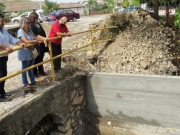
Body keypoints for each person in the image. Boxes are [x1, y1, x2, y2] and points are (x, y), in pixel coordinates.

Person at [0, 13, 25, 102]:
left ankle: (2, 91)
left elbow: (11, 38)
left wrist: (19, 43)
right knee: (0, 75)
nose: (3, 23)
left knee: (3, 75)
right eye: (1, 21)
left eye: (4, 21)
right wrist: (6, 47)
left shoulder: (3, 30)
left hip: (4, 56)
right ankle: (0, 96)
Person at [17, 17, 48, 88]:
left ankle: (32, 81)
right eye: (28, 23)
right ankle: (25, 83)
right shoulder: (20, 31)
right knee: (24, 68)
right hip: (24, 52)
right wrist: (35, 41)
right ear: (24, 23)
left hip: (32, 52)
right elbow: (26, 41)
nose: (30, 24)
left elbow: (36, 37)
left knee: (30, 67)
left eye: (30, 22)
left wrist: (43, 39)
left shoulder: (29, 30)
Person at [29, 11, 49, 78]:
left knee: (41, 58)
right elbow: (35, 35)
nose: (37, 19)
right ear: (33, 18)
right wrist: (44, 39)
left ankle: (41, 71)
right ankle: (35, 73)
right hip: (36, 45)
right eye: (36, 18)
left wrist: (44, 39)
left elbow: (42, 33)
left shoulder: (38, 24)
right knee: (36, 59)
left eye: (37, 18)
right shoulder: (32, 26)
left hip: (41, 44)